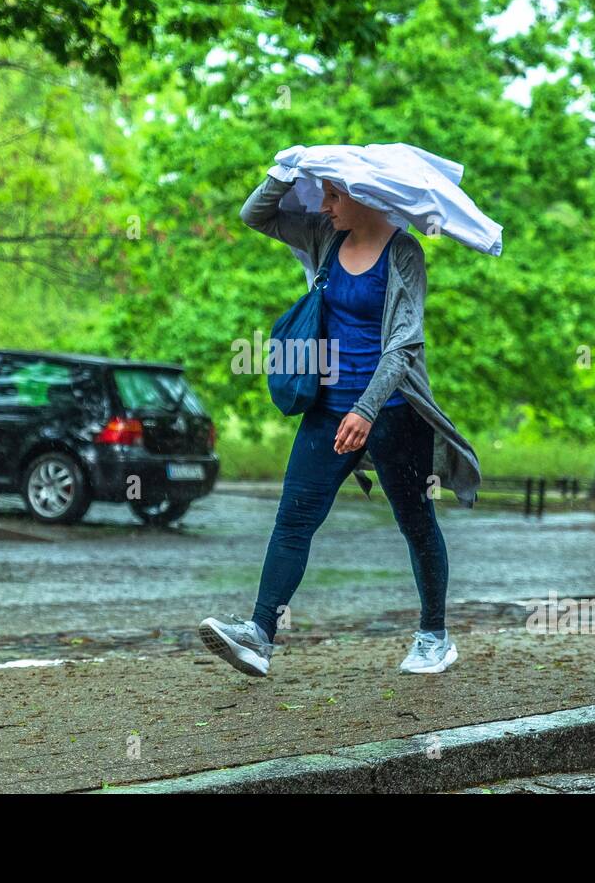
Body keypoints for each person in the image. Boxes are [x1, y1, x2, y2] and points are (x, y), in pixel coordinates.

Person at [198, 167, 483, 677]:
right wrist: (280, 171)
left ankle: (434, 636)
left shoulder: (404, 253)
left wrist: (367, 408)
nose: (324, 205)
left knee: (416, 524)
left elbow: (404, 344)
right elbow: (254, 215)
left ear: (365, 196)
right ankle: (260, 635)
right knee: (294, 519)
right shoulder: (326, 235)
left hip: (393, 413)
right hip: (327, 411)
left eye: (333, 196)